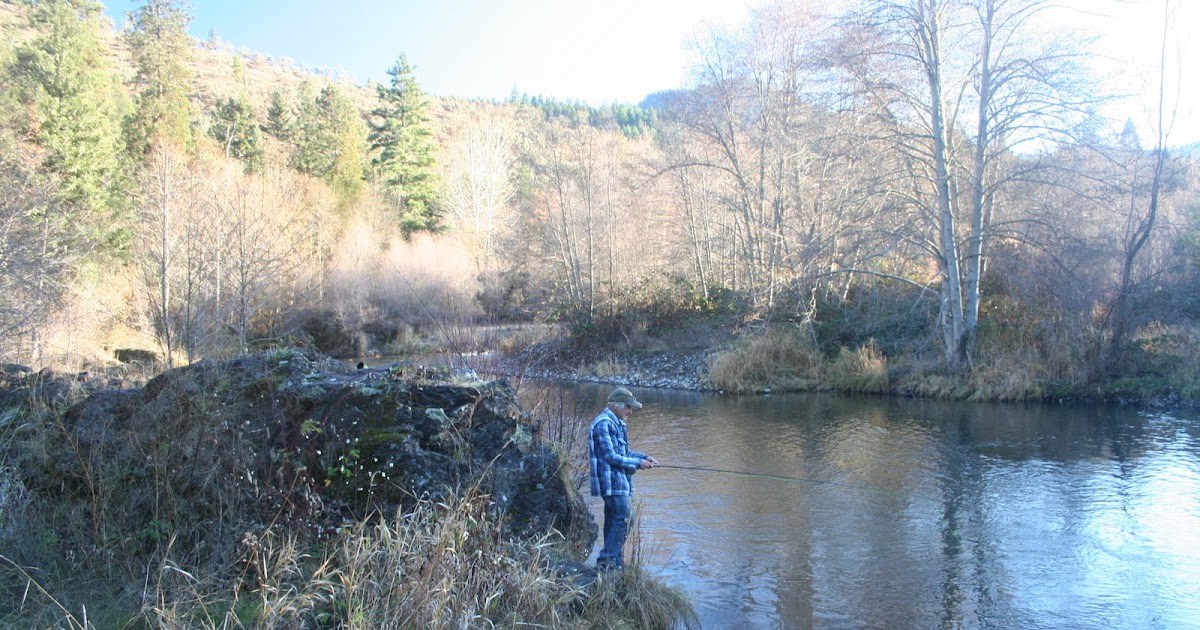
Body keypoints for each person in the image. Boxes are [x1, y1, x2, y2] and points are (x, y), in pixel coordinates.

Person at [589, 387, 658, 570]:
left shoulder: (618, 423)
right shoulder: (603, 423)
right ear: (616, 405)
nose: (630, 411)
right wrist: (637, 464)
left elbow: (625, 452)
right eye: (628, 407)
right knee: (627, 517)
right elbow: (611, 456)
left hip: (620, 482)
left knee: (614, 520)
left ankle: (616, 563)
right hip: (610, 482)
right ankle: (606, 561)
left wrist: (645, 457)